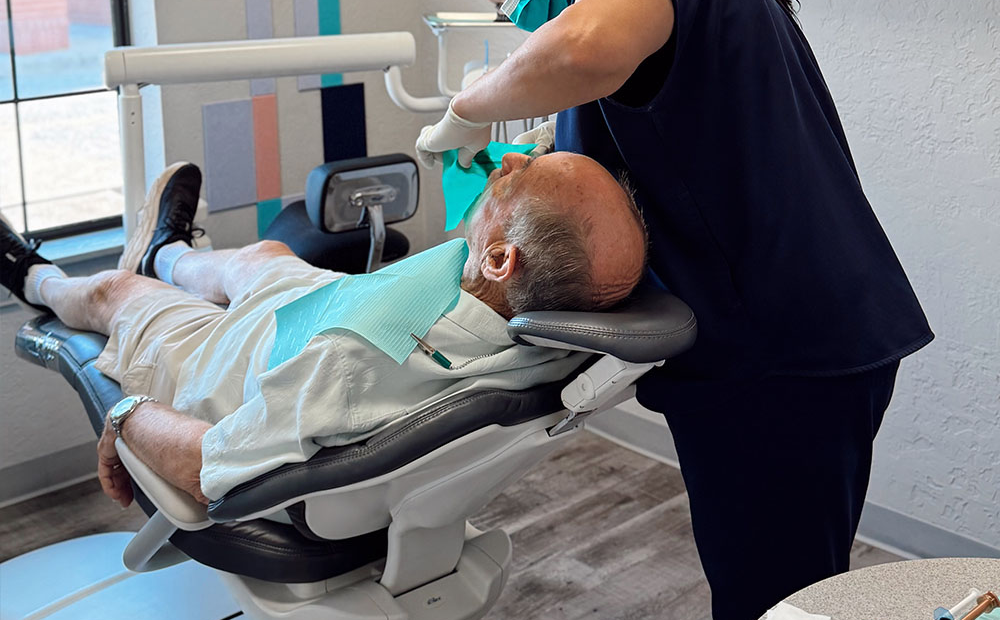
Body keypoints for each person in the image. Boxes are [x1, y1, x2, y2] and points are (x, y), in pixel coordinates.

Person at [416, 0, 934, 620]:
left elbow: (586, 49)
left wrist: (468, 103)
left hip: (779, 351)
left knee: (778, 616)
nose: (511, 7)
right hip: (799, 331)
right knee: (785, 596)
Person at [0, 154, 647, 506]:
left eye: (523, 174)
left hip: (236, 362)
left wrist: (126, 414)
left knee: (119, 295)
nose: (506, 162)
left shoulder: (350, 367)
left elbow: (209, 464)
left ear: (502, 260)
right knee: (264, 258)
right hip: (333, 305)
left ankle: (30, 272)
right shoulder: (560, 333)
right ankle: (165, 250)